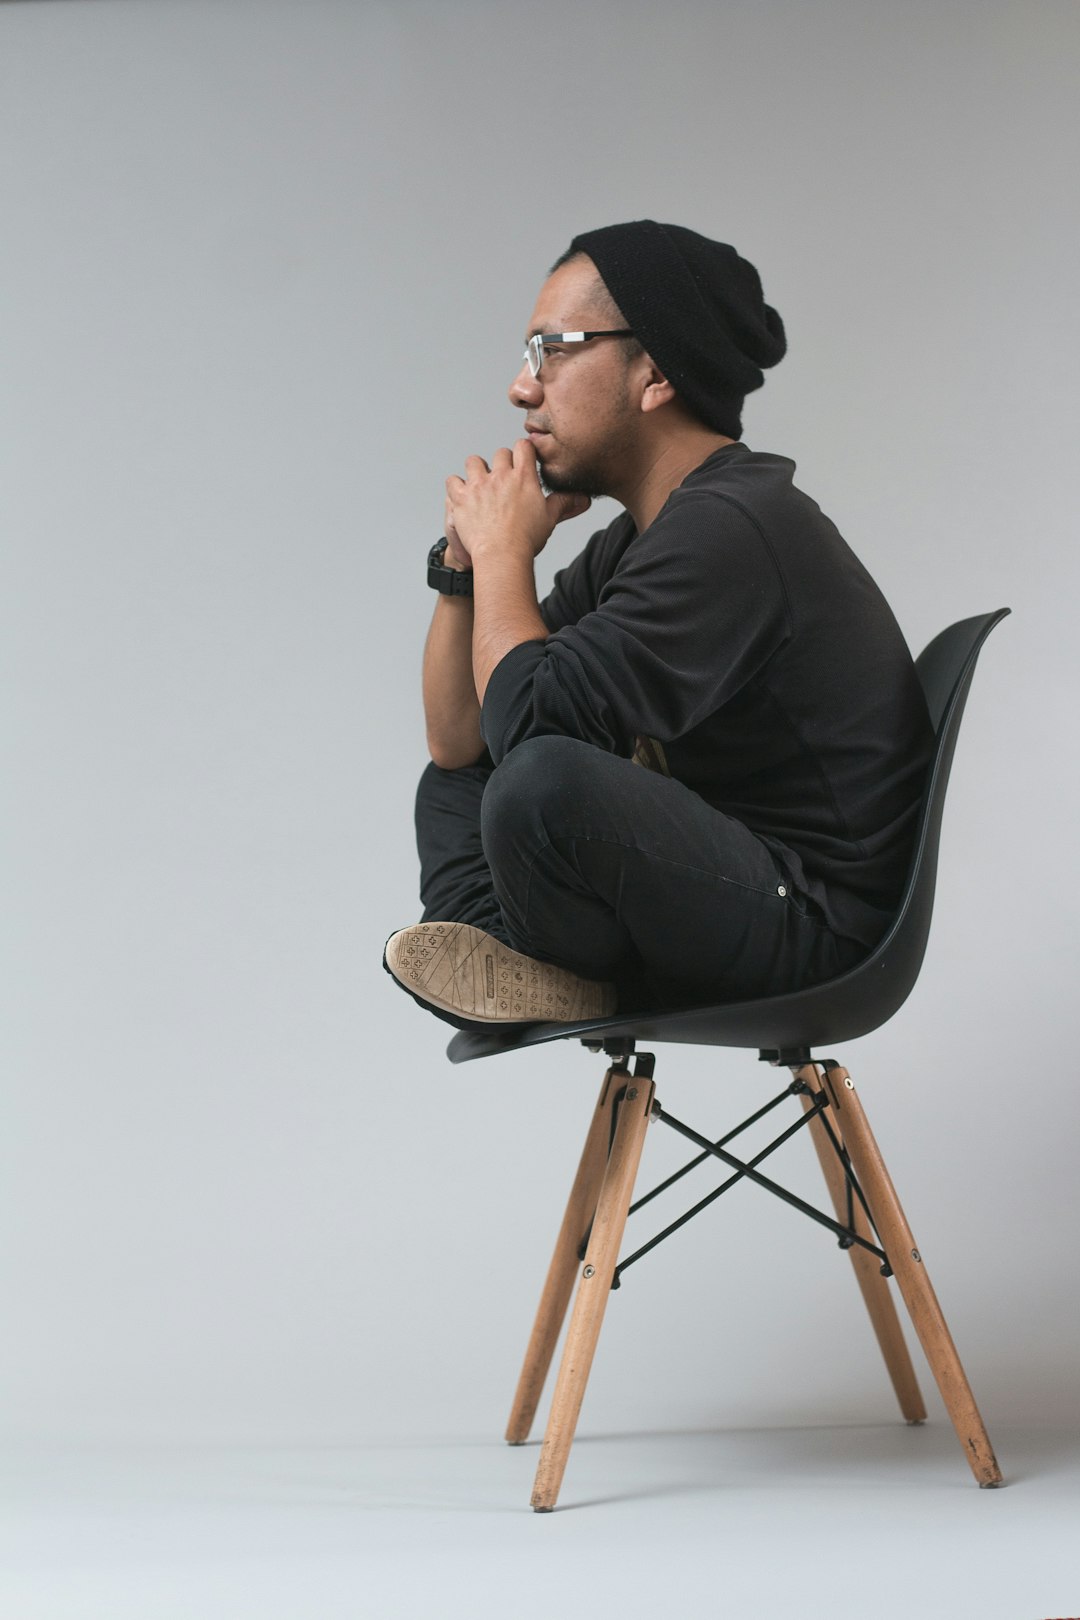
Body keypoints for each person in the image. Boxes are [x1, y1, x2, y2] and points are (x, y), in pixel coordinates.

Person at [384, 220, 933, 1029]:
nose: (520, 388)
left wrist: (508, 551)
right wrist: (465, 566)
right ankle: (526, 965)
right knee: (464, 780)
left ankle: (560, 969)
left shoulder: (735, 527)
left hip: (817, 926)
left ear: (655, 374)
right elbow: (459, 740)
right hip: (726, 893)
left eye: (552, 350)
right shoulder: (644, 538)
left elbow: (531, 727)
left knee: (539, 782)